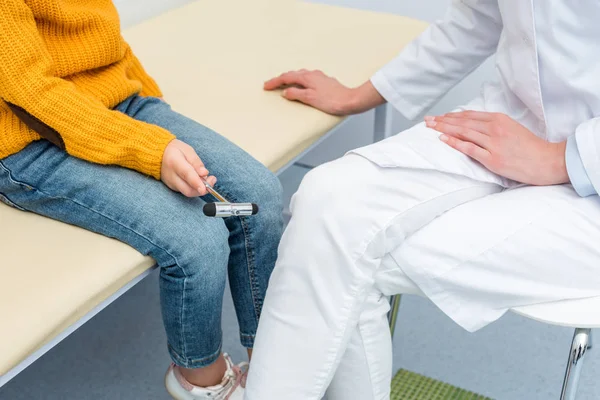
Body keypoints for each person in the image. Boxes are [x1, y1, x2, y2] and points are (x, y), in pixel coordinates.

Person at [244, 1, 600, 399]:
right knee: (325, 201)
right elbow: (481, 15)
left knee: (351, 259)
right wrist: (360, 95)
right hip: (508, 125)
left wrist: (560, 160)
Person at [0, 1, 283, 399]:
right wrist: (149, 149)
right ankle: (200, 379)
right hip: (29, 139)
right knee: (198, 238)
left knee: (260, 199)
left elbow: (105, 42)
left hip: (119, 105)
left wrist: (155, 110)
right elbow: (29, 92)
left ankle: (274, 366)